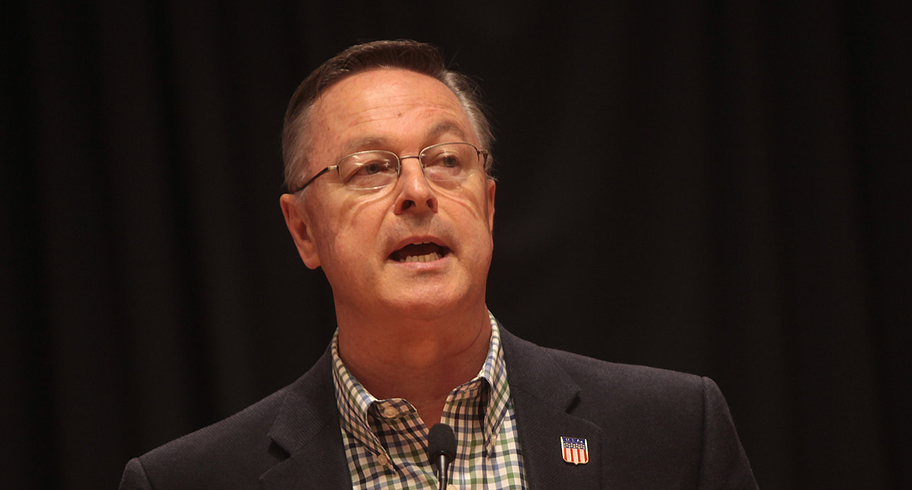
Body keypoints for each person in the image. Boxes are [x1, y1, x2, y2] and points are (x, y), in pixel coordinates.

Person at [119, 39, 759, 490]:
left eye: (447, 160)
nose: (419, 191)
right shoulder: (189, 479)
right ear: (303, 230)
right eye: (371, 168)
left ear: (487, 205)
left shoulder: (673, 429)